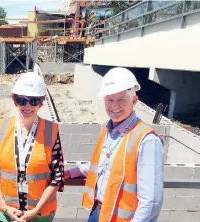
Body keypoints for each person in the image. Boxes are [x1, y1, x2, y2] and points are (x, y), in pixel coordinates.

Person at [65, 67, 164, 222]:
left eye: (121, 100)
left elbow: (150, 202)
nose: (114, 106)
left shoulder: (147, 140)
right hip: (98, 212)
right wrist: (72, 172)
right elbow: (104, 166)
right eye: (110, 99)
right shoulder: (108, 129)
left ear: (134, 100)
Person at [0, 72, 64, 222]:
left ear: (41, 102)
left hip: (40, 215)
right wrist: (4, 207)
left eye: (33, 101)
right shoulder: (1, 128)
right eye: (22, 100)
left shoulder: (51, 131)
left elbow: (57, 178)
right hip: (7, 213)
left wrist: (36, 211)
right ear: (14, 100)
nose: (27, 106)